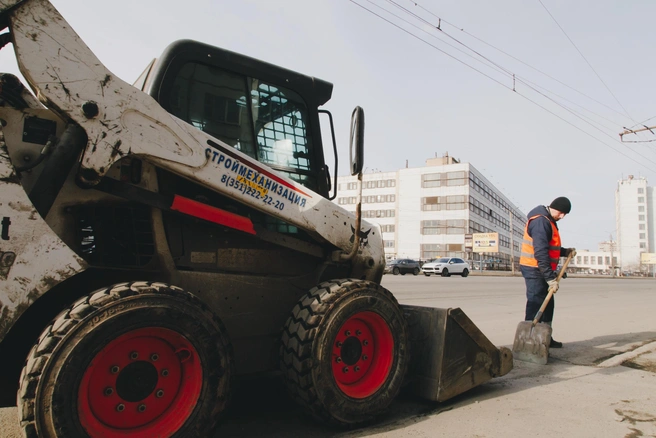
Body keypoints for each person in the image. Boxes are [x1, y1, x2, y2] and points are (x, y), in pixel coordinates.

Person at [519, 196, 575, 348]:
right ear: (553, 208)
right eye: (561, 213)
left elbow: (549, 247)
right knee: (536, 303)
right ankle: (528, 341)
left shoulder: (549, 220)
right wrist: (551, 278)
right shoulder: (541, 221)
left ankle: (545, 337)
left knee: (548, 304)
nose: (562, 216)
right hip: (534, 268)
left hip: (541, 268)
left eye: (565, 214)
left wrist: (565, 252)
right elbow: (540, 252)